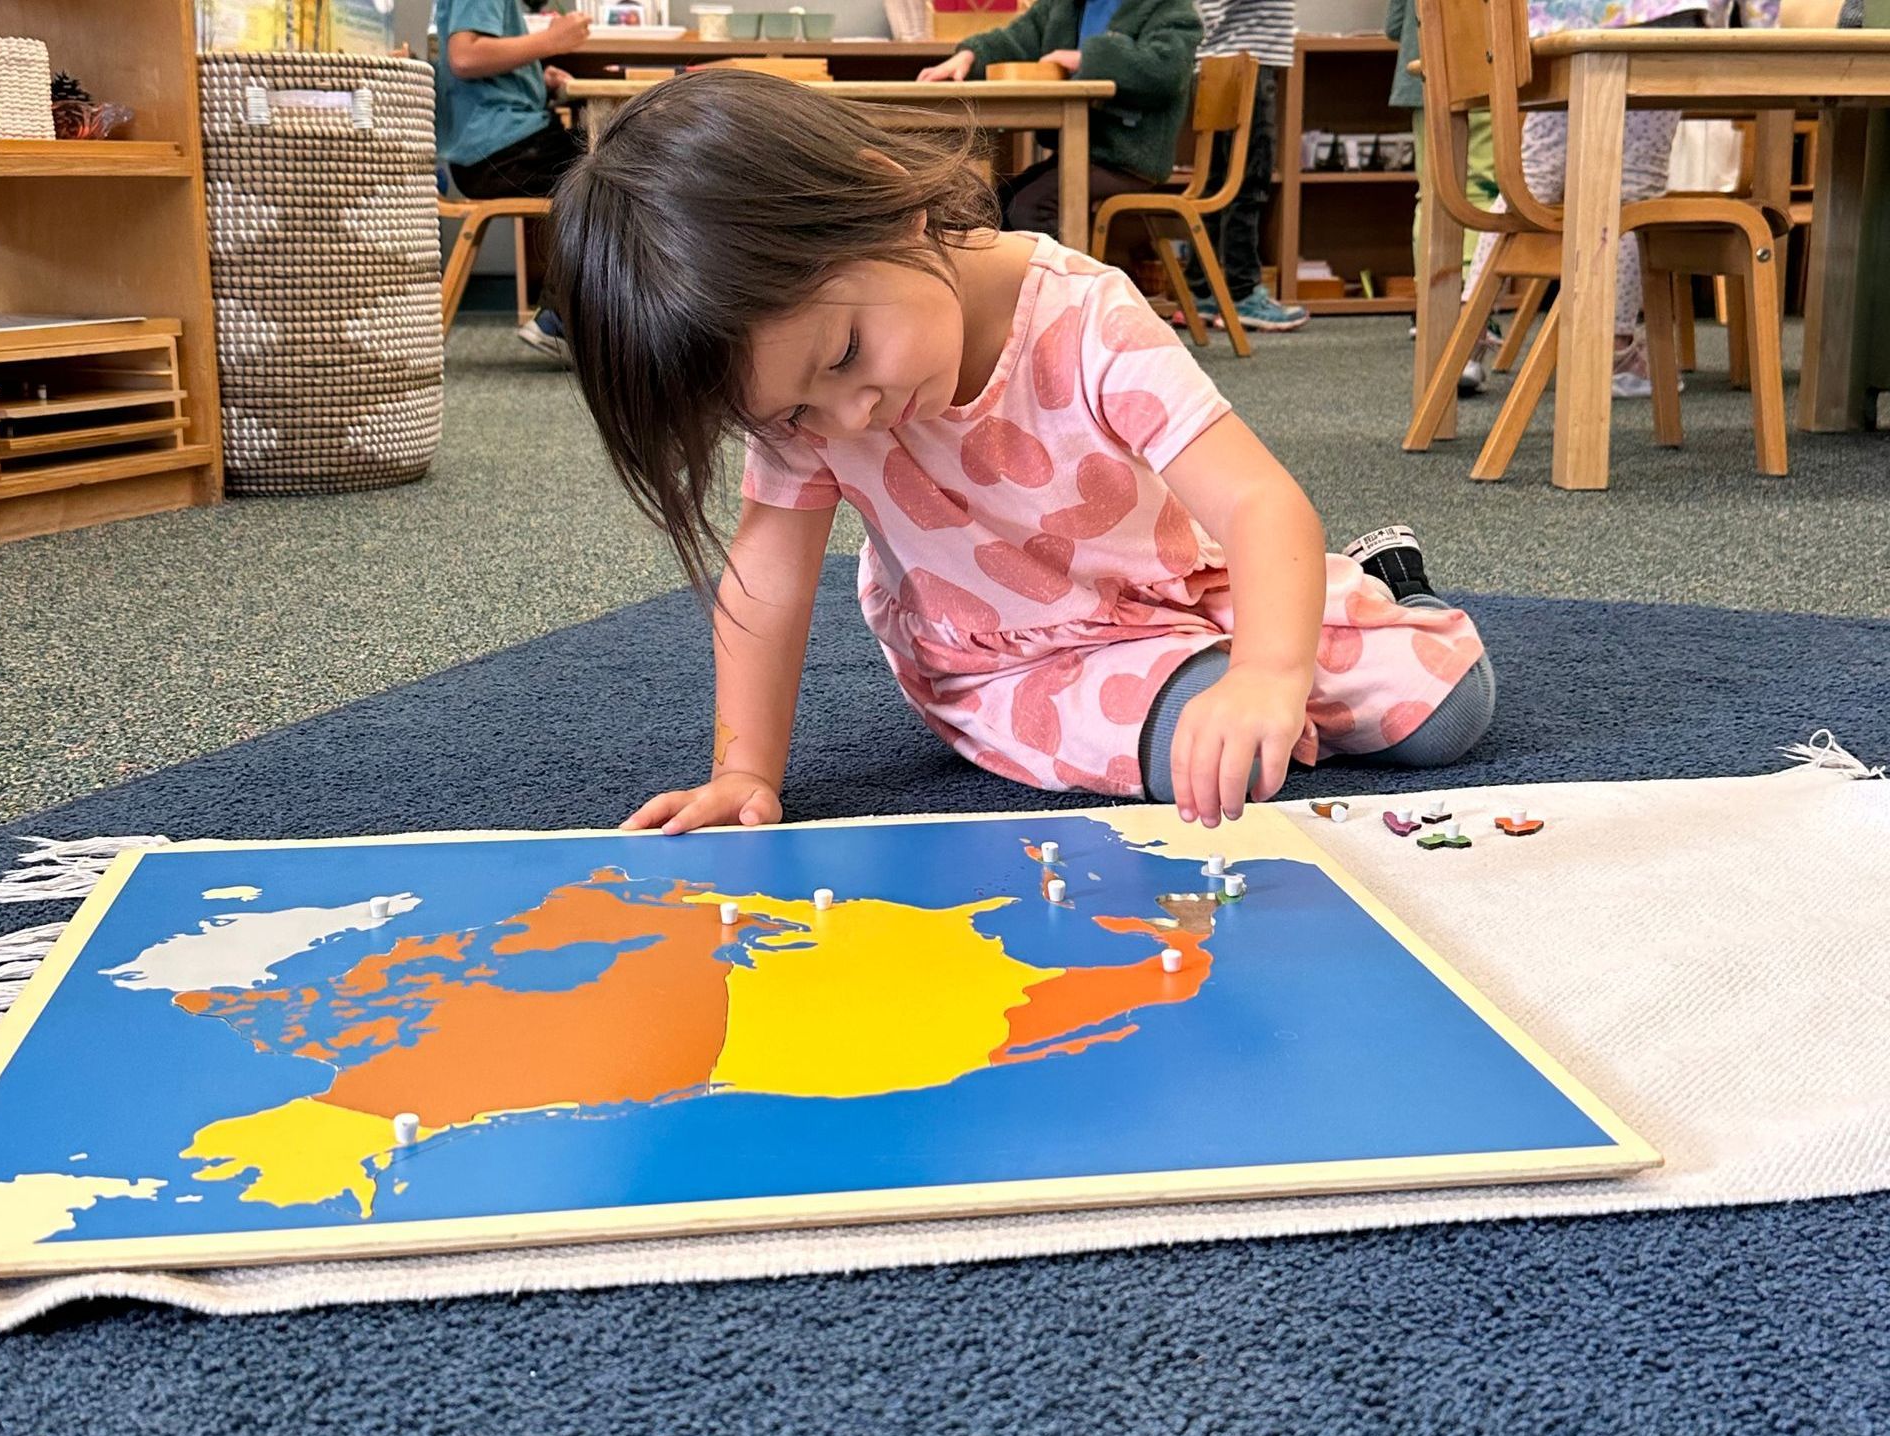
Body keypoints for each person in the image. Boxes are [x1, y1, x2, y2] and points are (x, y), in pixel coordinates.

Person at [545, 72, 1495, 833]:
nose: (851, 417)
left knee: (1451, 709)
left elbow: (1257, 504)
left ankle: (1379, 586)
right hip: (1013, 662)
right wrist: (743, 770)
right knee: (1211, 752)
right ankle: (1282, 646)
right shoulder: (812, 406)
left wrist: (1270, 672)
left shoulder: (1083, 315)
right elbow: (766, 581)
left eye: (844, 358)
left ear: (889, 204)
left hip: (1181, 588)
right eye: (794, 414)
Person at [1460, 0, 1776, 398]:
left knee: (1533, 178)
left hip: (1555, 19)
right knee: (1634, 187)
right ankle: (1613, 349)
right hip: (1659, 16)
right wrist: (1764, 31)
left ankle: (1468, 333)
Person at [915, 0, 1202, 240]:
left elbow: (1166, 68)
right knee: (993, 207)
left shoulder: (1167, 5)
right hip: (1077, 152)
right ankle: (1012, 295)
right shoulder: (1063, 5)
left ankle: (1068, 300)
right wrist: (970, 55)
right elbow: (1017, 38)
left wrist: (1087, 59)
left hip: (1129, 159)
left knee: (1031, 209)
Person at [436, 0, 590, 360]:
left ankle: (562, 317)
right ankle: (560, 319)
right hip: (503, 149)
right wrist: (550, 41)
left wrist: (534, 77)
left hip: (494, 148)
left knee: (602, 163)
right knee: (611, 173)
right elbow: (465, 57)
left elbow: (475, 61)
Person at [1385, 0, 1502, 390]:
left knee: (1434, 193)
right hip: (1487, 59)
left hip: (1425, 65)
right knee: (1481, 191)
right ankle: (1467, 321)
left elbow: (1395, 23)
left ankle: (1432, 312)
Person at [1175, 0, 1312, 332]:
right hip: (1245, 61)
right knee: (1248, 182)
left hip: (1225, 61)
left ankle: (1203, 290)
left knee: (1219, 182)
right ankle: (1242, 292)